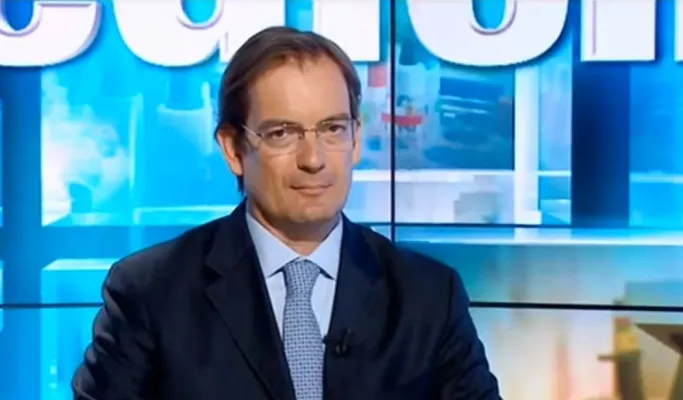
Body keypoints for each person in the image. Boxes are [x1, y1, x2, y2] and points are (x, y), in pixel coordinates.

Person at [72, 26, 501, 399]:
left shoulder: (428, 296)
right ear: (233, 149)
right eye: (282, 133)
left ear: (356, 139)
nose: (313, 159)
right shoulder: (151, 293)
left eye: (333, 129)